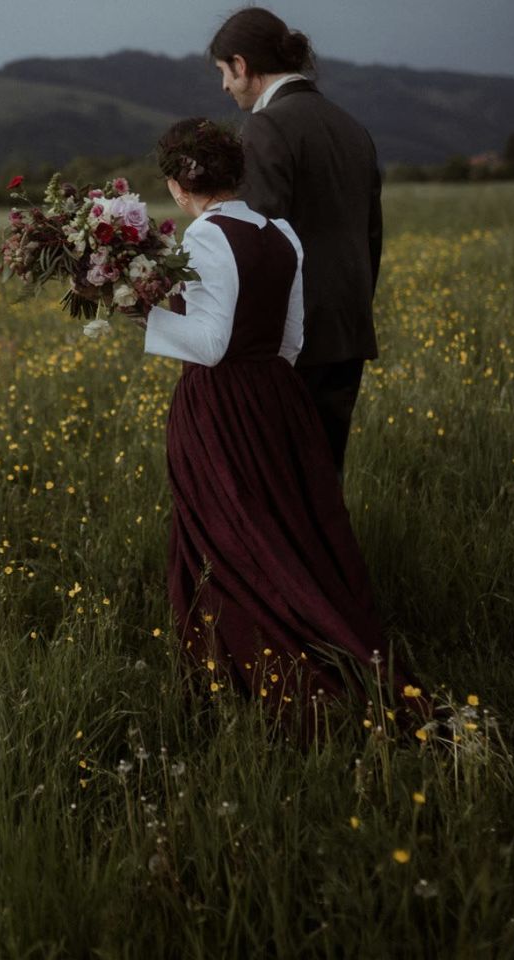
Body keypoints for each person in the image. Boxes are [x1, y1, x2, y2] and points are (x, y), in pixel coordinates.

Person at [142, 118, 421, 727]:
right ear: (238, 174)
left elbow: (211, 345)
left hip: (220, 401)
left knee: (224, 531)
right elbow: (293, 337)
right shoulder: (281, 232)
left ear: (176, 185)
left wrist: (142, 317)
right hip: (277, 396)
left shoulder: (204, 236)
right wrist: (267, 383)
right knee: (280, 521)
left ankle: (240, 663)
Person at [208, 6, 382, 477]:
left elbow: (260, 241)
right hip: (347, 329)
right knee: (325, 479)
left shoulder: (269, 127)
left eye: (224, 72)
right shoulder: (351, 127)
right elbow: (371, 236)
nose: (224, 85)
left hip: (292, 340)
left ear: (242, 65)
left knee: (280, 485)